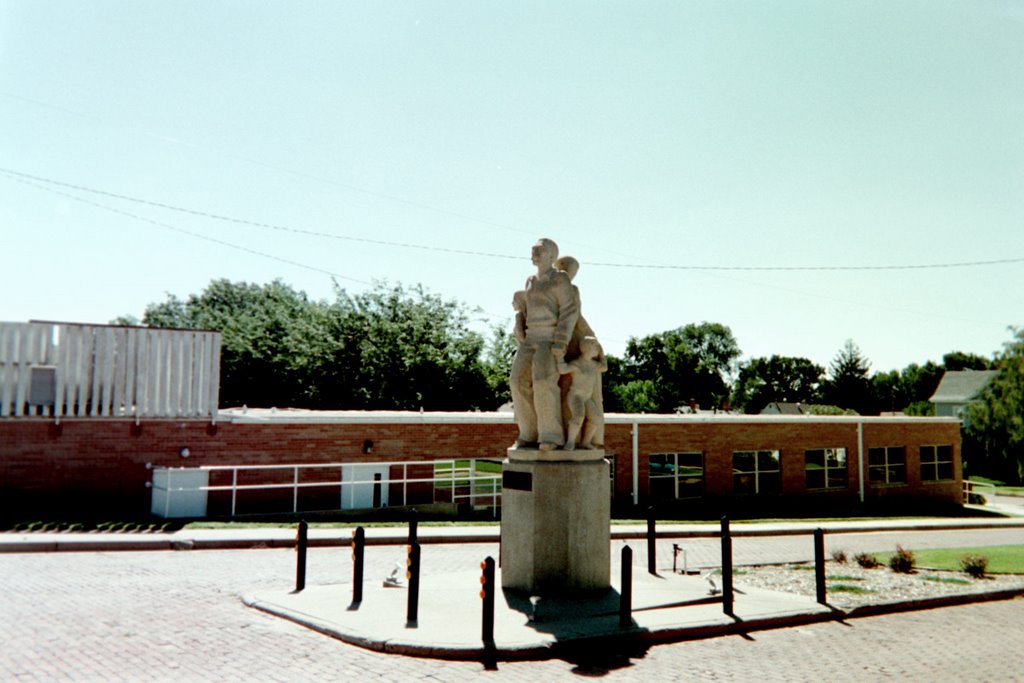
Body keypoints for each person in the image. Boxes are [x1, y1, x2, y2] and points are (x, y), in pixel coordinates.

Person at [509, 238, 579, 450]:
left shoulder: (560, 279)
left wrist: (561, 340)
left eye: (539, 250)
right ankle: (529, 433)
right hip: (530, 339)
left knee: (543, 382)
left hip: (550, 338)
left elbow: (569, 310)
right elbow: (524, 310)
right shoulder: (530, 280)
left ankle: (552, 436)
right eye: (533, 250)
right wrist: (519, 324)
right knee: (517, 381)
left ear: (551, 255)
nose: (534, 254)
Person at [557, 336, 607, 450]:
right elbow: (562, 370)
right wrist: (559, 356)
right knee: (578, 416)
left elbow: (604, 367)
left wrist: (602, 354)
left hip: (587, 397)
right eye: (595, 346)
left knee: (596, 418)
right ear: (586, 348)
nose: (598, 348)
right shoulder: (577, 364)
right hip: (575, 396)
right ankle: (570, 442)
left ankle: (585, 442)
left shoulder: (594, 365)